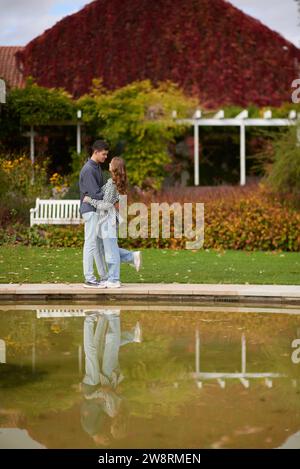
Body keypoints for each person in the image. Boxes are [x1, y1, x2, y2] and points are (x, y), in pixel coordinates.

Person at [80, 309, 142, 446]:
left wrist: (95, 395)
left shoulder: (96, 425)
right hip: (103, 382)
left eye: (107, 438)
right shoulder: (110, 415)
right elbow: (106, 394)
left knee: (101, 348)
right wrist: (94, 395)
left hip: (101, 383)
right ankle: (109, 316)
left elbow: (105, 397)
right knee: (104, 347)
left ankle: (103, 318)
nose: (108, 432)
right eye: (111, 432)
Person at [83, 157, 141, 288]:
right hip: (105, 220)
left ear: (114, 167)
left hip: (108, 221)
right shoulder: (111, 182)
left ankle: (114, 279)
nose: (108, 163)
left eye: (111, 163)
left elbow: (106, 204)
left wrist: (89, 200)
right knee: (107, 250)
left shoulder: (113, 185)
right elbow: (100, 194)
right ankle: (132, 257)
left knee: (110, 251)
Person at [79, 140, 109, 288]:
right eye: (103, 154)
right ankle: (89, 278)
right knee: (90, 243)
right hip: (89, 210)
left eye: (106, 154)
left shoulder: (96, 167)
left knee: (96, 245)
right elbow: (96, 194)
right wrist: (109, 191)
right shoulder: (89, 169)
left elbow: (98, 192)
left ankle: (104, 277)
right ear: (96, 152)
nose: (105, 157)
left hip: (94, 209)